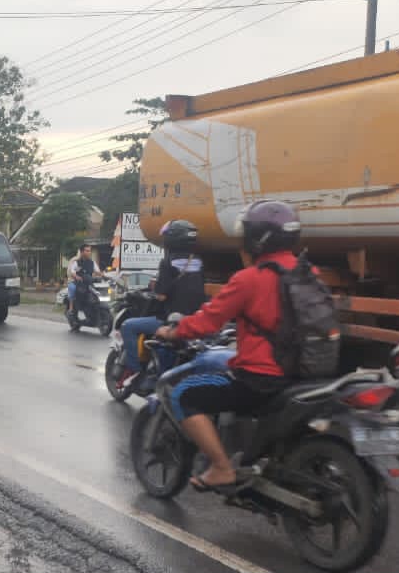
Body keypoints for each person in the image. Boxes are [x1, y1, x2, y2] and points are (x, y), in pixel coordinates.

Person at [153, 200, 305, 490]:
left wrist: (171, 332)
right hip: (305, 373)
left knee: (182, 394)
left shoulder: (249, 279)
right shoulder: (309, 274)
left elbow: (206, 322)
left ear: (256, 239)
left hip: (262, 378)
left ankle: (222, 467)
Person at [117, 220, 208, 388]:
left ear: (171, 240)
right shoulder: (198, 261)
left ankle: (135, 370)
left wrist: (154, 291)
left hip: (169, 319)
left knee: (128, 326)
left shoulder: (167, 262)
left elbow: (161, 295)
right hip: (195, 318)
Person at [67, 244, 99, 316]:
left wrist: (105, 275)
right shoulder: (76, 262)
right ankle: (71, 308)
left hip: (88, 282)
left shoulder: (92, 262)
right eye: (87, 251)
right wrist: (76, 276)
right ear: (81, 252)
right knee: (72, 288)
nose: (89, 252)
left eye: (90, 251)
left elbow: (98, 271)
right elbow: (72, 272)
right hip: (78, 282)